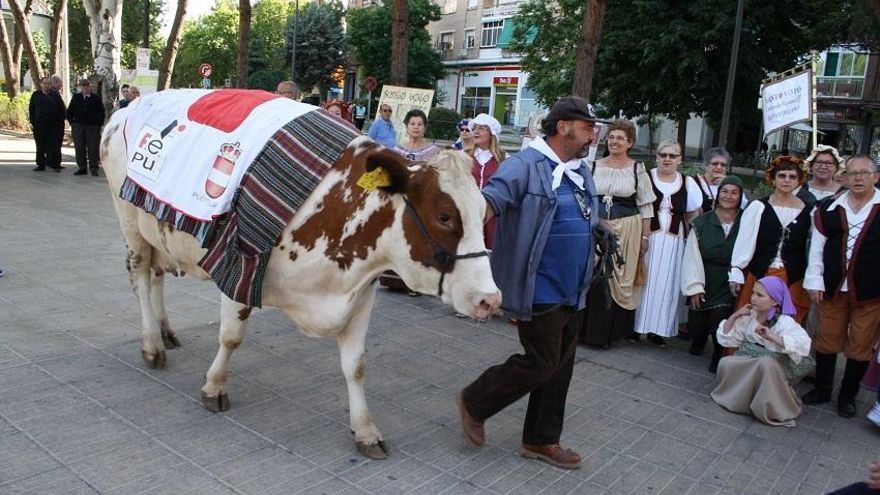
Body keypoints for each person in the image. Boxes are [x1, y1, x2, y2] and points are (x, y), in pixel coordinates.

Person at [457, 96, 601, 470]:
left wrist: (598, 227)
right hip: (539, 288)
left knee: (560, 367)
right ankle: (476, 400)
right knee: (541, 362)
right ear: (564, 127)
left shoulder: (579, 170)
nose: (593, 134)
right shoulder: (525, 165)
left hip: (575, 287)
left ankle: (541, 440)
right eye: (587, 127)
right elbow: (492, 201)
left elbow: (578, 213)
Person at [802, 155, 880, 418]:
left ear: (875, 177)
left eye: (864, 173)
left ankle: (848, 396)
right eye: (852, 173)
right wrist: (814, 280)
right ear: (844, 177)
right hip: (833, 287)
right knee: (826, 339)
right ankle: (823, 389)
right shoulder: (827, 208)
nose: (857, 178)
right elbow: (817, 249)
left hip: (871, 291)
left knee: (861, 344)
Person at [578, 119, 656, 348]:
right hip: (595, 227)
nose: (615, 142)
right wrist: (596, 220)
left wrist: (644, 237)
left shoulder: (637, 169)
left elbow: (646, 206)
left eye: (620, 138)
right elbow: (583, 198)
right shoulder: (592, 165)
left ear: (630, 142)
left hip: (627, 229)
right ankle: (584, 332)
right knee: (592, 273)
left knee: (616, 276)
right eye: (612, 137)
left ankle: (606, 335)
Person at [711, 276, 813, 427]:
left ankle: (769, 406)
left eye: (760, 295)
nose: (753, 298)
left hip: (774, 367)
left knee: (765, 363)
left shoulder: (784, 321)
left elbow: (803, 344)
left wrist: (771, 336)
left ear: (774, 301)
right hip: (752, 359)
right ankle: (742, 400)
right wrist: (735, 316)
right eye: (753, 293)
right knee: (726, 362)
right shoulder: (749, 316)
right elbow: (727, 339)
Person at [633, 140, 702, 346]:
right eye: (663, 155)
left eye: (672, 156)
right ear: (657, 157)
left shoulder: (687, 183)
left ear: (680, 159)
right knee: (642, 281)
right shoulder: (646, 177)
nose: (667, 159)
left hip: (673, 241)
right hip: (648, 236)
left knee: (666, 284)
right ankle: (635, 328)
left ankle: (658, 330)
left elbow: (692, 213)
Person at [728, 156, 811, 324]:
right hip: (760, 273)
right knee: (749, 319)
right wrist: (737, 270)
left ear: (799, 181)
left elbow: (812, 248)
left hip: (793, 276)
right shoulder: (758, 207)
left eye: (792, 176)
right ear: (772, 179)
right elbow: (745, 241)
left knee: (785, 323)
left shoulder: (809, 211)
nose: (787, 180)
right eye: (782, 175)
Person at [681, 176, 745, 372]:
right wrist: (695, 286)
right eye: (725, 191)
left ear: (740, 196)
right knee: (697, 326)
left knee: (720, 319)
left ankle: (719, 353)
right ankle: (698, 340)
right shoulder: (702, 222)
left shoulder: (747, 220)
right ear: (718, 194)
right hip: (704, 274)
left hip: (730, 279)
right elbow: (692, 255)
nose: (728, 196)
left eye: (734, 192)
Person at [467, 113, 506, 249]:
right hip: (469, 215)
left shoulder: (504, 159)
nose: (476, 131)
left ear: (491, 133)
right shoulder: (464, 156)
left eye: (482, 128)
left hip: (493, 217)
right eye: (475, 128)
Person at [66, 78, 105, 176]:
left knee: (93, 147)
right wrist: (73, 123)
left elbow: (101, 112)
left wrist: (98, 124)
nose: (85, 87)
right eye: (83, 85)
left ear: (89, 86)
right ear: (80, 87)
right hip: (78, 126)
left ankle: (94, 167)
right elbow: (70, 111)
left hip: (92, 127)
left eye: (86, 85)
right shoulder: (76, 97)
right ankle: (82, 167)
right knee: (79, 147)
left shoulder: (95, 98)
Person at [28, 76, 66, 173]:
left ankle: (56, 165)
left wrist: (60, 122)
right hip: (39, 125)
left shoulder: (55, 95)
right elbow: (31, 109)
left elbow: (62, 110)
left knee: (55, 146)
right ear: (41, 84)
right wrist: (33, 122)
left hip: (54, 126)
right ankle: (40, 164)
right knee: (40, 145)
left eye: (48, 83)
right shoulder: (36, 95)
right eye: (44, 83)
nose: (46, 86)